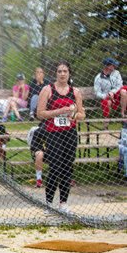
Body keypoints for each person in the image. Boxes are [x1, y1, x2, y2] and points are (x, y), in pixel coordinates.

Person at [37, 60, 85, 213]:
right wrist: (59, 111)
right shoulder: (48, 89)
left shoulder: (75, 91)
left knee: (67, 167)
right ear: (56, 73)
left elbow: (82, 114)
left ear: (69, 73)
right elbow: (40, 114)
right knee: (55, 167)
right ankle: (49, 203)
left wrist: (74, 115)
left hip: (69, 133)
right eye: (60, 71)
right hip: (53, 133)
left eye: (65, 71)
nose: (62, 74)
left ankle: (63, 203)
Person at [93, 57, 126, 129]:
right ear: (107, 66)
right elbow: (97, 92)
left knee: (124, 90)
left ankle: (123, 114)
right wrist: (106, 95)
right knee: (107, 102)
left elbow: (120, 85)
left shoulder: (116, 73)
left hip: (117, 95)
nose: (114, 67)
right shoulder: (98, 78)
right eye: (112, 65)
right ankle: (106, 125)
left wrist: (112, 92)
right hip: (107, 97)